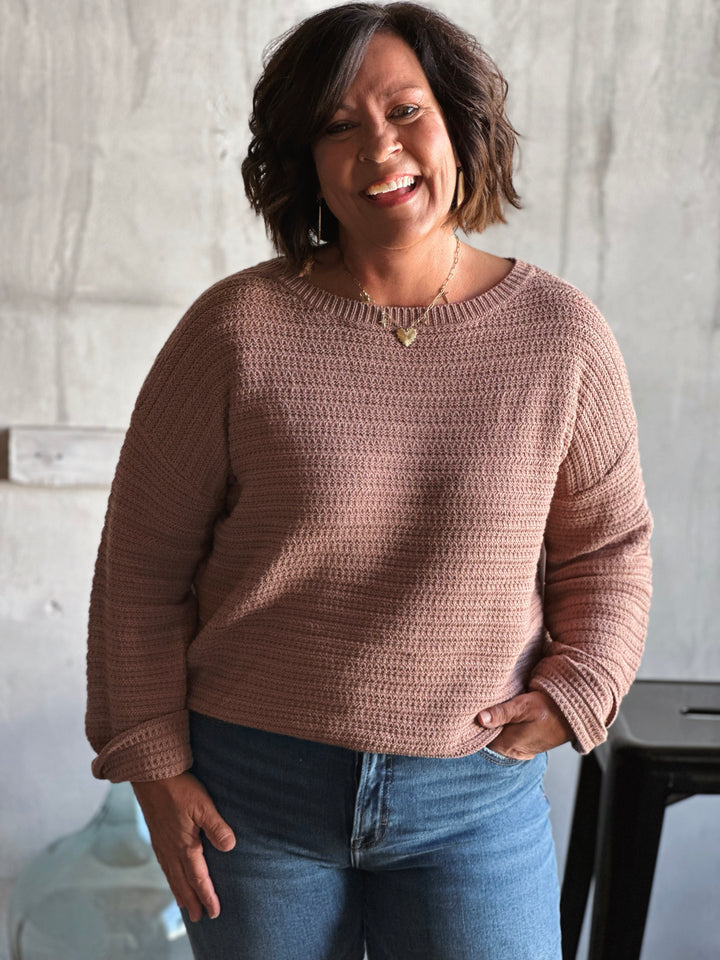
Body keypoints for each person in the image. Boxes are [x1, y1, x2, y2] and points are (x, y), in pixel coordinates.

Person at [85, 4, 653, 959]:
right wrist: (152, 762)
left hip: (472, 798)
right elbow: (141, 567)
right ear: (304, 159)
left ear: (459, 125)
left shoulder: (562, 335)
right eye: (339, 125)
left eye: (405, 111)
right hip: (250, 798)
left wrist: (580, 685)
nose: (379, 148)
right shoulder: (235, 332)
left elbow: (608, 547)